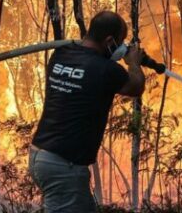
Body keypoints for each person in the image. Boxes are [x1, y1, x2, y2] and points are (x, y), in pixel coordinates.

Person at [28, 11, 146, 212]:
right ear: (109, 41)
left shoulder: (61, 54)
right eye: (119, 42)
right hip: (64, 167)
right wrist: (133, 62)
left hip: (40, 155)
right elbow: (135, 87)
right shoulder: (106, 69)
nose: (120, 48)